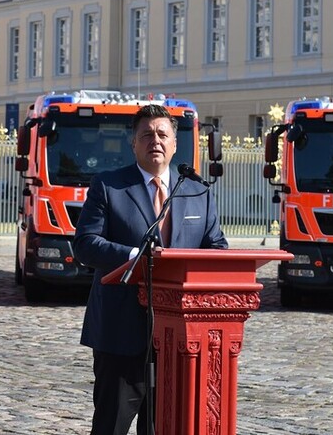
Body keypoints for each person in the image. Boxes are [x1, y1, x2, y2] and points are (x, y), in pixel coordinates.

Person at [73, 104, 228, 435]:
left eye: (162, 134)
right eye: (146, 134)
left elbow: (217, 247)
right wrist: (135, 256)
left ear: (174, 144)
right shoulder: (109, 186)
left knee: (164, 428)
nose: (154, 141)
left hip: (180, 343)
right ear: (134, 144)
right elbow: (86, 244)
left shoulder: (196, 190)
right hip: (121, 336)